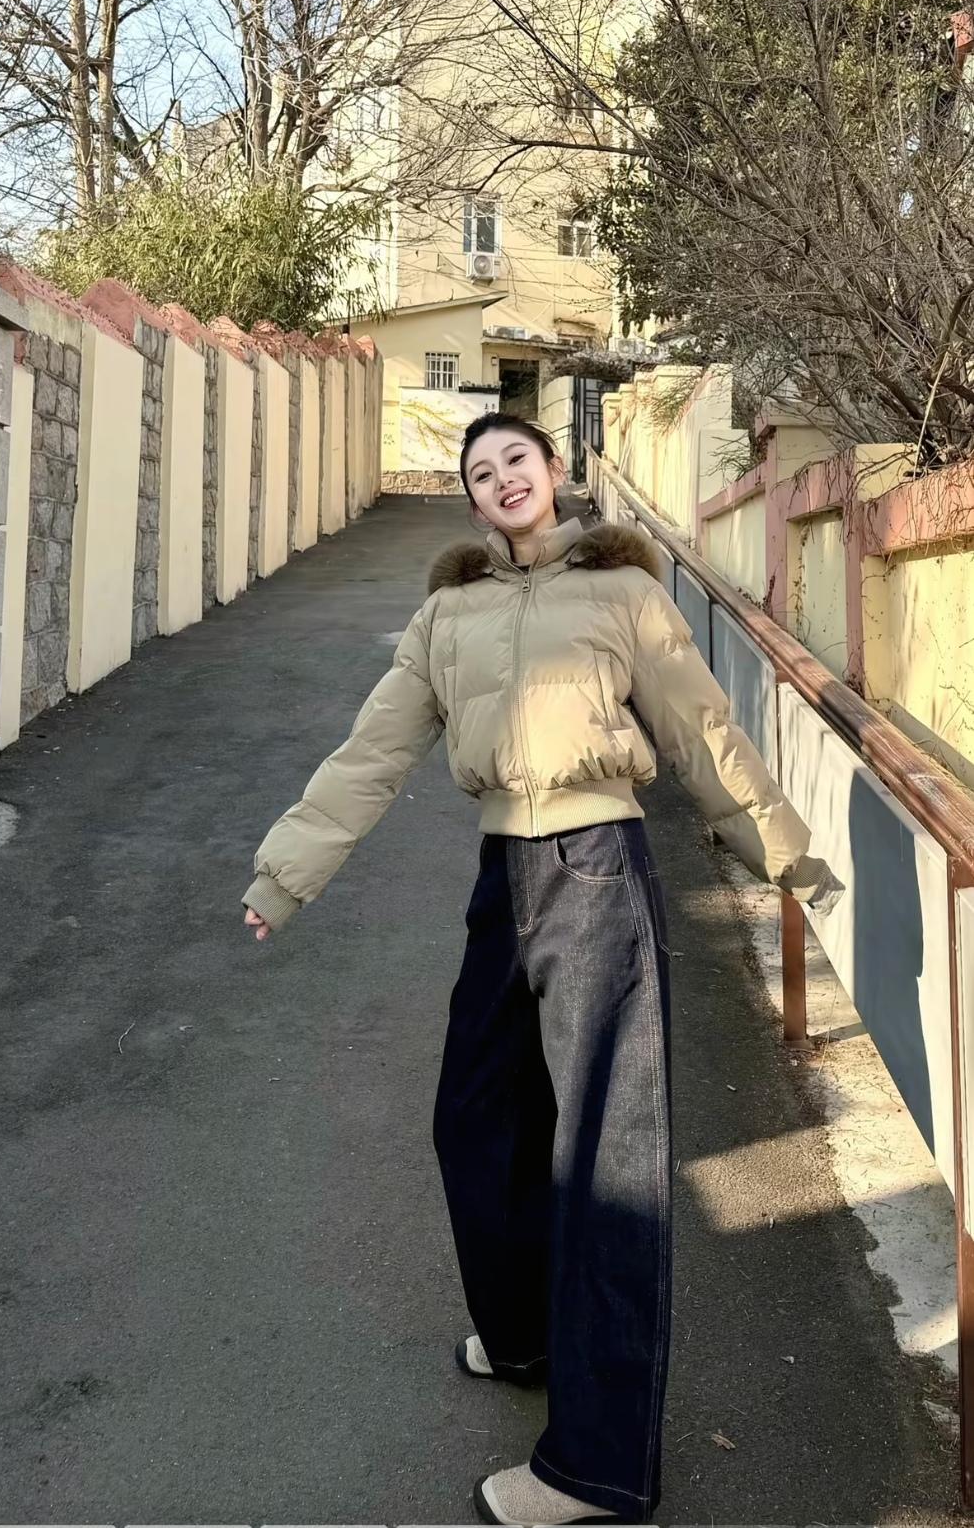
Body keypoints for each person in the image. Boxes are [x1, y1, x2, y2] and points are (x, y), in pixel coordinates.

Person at [241, 412, 844, 1528]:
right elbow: (375, 748)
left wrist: (784, 853)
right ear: (471, 500)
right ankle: (523, 1336)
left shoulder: (623, 592)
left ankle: (596, 1472)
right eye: (480, 471)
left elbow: (702, 729)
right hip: (501, 879)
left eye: (516, 457)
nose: (502, 478)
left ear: (555, 471)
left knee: (608, 1159)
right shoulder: (449, 613)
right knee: (475, 1121)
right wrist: (288, 874)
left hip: (598, 867)